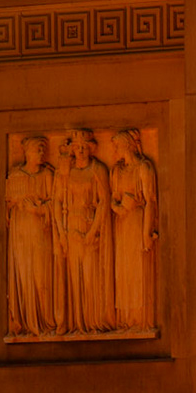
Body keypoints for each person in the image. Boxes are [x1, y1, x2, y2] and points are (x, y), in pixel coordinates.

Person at [59, 128, 115, 333]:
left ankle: (93, 322)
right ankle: (77, 322)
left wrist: (92, 231)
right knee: (75, 278)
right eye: (77, 147)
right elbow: (57, 202)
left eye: (84, 147)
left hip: (91, 226)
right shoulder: (67, 172)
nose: (80, 150)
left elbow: (103, 201)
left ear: (91, 149)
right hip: (71, 228)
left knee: (91, 277)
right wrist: (61, 233)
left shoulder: (97, 169)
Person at [4, 135, 59, 337]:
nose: (41, 153)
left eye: (43, 149)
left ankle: (46, 319)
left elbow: (57, 203)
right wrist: (15, 204)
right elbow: (6, 206)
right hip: (21, 233)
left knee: (41, 275)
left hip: (41, 231)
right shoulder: (16, 175)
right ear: (27, 152)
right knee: (24, 274)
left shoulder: (47, 175)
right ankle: (26, 320)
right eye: (38, 149)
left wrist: (40, 209)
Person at [108, 128, 159, 331]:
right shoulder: (117, 170)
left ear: (127, 145)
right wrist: (118, 207)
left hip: (138, 221)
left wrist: (147, 233)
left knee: (138, 268)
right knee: (124, 269)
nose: (114, 151)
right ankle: (126, 319)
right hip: (122, 222)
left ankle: (140, 319)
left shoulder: (144, 168)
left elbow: (150, 202)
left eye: (117, 146)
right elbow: (112, 197)